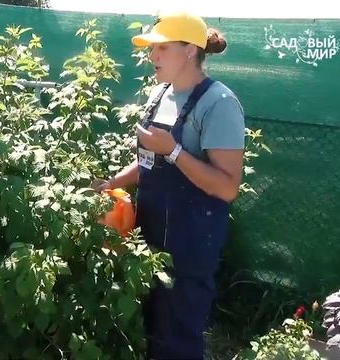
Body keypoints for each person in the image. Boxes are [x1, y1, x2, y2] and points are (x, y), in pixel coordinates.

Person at [97, 11, 245, 359]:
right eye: (152, 49)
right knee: (151, 328)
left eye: (162, 48)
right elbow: (150, 159)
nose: (153, 56)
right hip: (149, 234)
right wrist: (112, 183)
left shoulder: (219, 104)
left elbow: (227, 187)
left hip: (189, 242)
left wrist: (175, 150)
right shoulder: (160, 94)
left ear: (190, 51)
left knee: (178, 334)